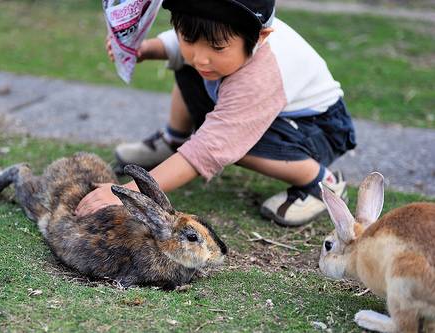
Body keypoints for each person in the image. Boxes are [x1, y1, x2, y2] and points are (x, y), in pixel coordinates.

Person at [75, 0, 356, 227]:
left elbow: (213, 146)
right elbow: (179, 44)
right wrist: (147, 49)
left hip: (317, 130)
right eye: (189, 37)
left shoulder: (261, 75)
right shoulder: (214, 39)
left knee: (231, 143)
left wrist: (131, 193)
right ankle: (173, 140)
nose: (201, 56)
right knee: (187, 65)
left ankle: (320, 181)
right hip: (275, 114)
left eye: (218, 47)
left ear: (260, 36)